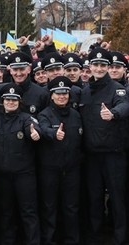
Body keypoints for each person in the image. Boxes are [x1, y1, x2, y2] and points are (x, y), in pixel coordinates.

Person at [79, 48, 129, 244]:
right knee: (94, 199)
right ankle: (95, 237)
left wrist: (113, 113)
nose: (99, 68)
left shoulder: (117, 89)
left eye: (103, 65)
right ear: (90, 67)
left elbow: (125, 105)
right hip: (91, 156)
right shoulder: (84, 92)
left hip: (113, 155)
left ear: (108, 67)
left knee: (117, 200)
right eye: (95, 65)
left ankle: (120, 238)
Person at [0, 82, 41, 244]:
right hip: (3, 177)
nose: (10, 102)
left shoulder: (26, 119)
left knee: (29, 213)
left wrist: (34, 133)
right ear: (2, 101)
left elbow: (33, 128)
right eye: (7, 99)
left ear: (19, 102)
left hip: (24, 175)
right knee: (6, 214)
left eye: (14, 100)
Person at [37, 76, 83, 244]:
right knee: (49, 207)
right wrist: (53, 134)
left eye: (65, 93)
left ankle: (72, 240)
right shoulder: (44, 114)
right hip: (50, 170)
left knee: (71, 207)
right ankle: (49, 240)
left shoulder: (76, 115)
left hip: (71, 169)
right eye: (58, 93)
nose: (62, 96)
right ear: (51, 95)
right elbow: (42, 129)